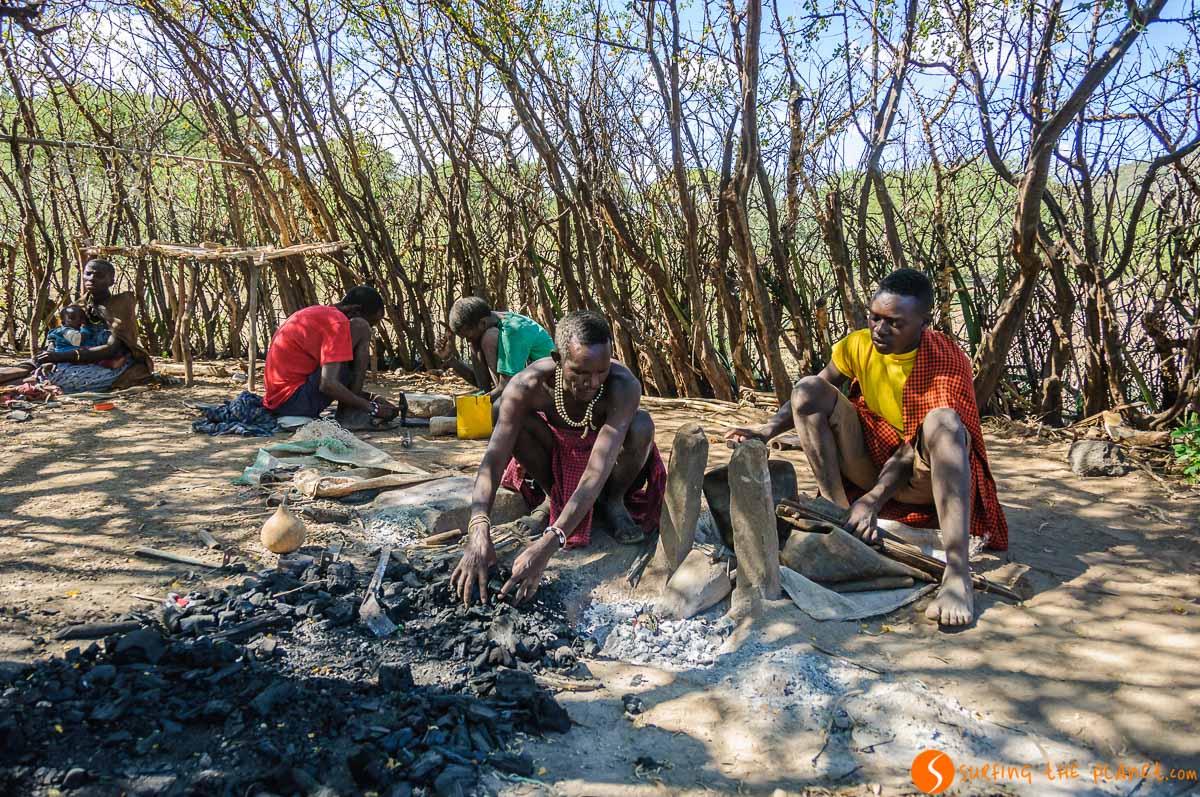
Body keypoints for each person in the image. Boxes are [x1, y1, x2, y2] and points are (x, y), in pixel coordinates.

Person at [724, 269, 1008, 627]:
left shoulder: (946, 363)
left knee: (945, 424)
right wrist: (765, 431)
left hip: (920, 474)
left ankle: (957, 572)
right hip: (872, 458)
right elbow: (812, 393)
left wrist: (873, 498)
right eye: (874, 317)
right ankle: (837, 513)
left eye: (894, 323)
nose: (879, 329)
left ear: (924, 322)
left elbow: (910, 451)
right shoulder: (858, 345)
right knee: (808, 389)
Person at [451, 310, 667, 606]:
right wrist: (478, 529)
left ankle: (613, 501)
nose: (592, 382)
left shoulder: (622, 386)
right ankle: (552, 497)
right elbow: (494, 458)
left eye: (600, 371)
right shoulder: (527, 386)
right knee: (503, 411)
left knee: (642, 426)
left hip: (609, 469)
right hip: (553, 457)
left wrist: (550, 542)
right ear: (557, 359)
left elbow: (598, 466)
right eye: (580, 372)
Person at [0, 258, 154, 393]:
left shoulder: (120, 305)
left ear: (111, 281)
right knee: (30, 366)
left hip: (107, 364)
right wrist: (51, 355)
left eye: (99, 276)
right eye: (88, 274)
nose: (92, 279)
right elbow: (62, 335)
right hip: (69, 355)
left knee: (44, 377)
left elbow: (111, 349)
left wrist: (63, 357)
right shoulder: (80, 306)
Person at [261, 285, 401, 425]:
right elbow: (328, 385)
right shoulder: (338, 323)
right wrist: (372, 408)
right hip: (294, 403)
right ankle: (349, 414)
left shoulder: (321, 314)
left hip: (281, 401)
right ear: (355, 310)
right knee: (361, 327)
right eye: (371, 322)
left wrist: (371, 397)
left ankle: (350, 409)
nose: (371, 328)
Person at [437, 297, 554, 401]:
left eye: (468, 336)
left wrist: (477, 403)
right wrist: (449, 359)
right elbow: (482, 386)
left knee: (488, 337)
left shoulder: (512, 331)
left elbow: (507, 387)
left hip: (548, 390)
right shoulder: (488, 325)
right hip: (520, 387)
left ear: (482, 323)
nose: (468, 341)